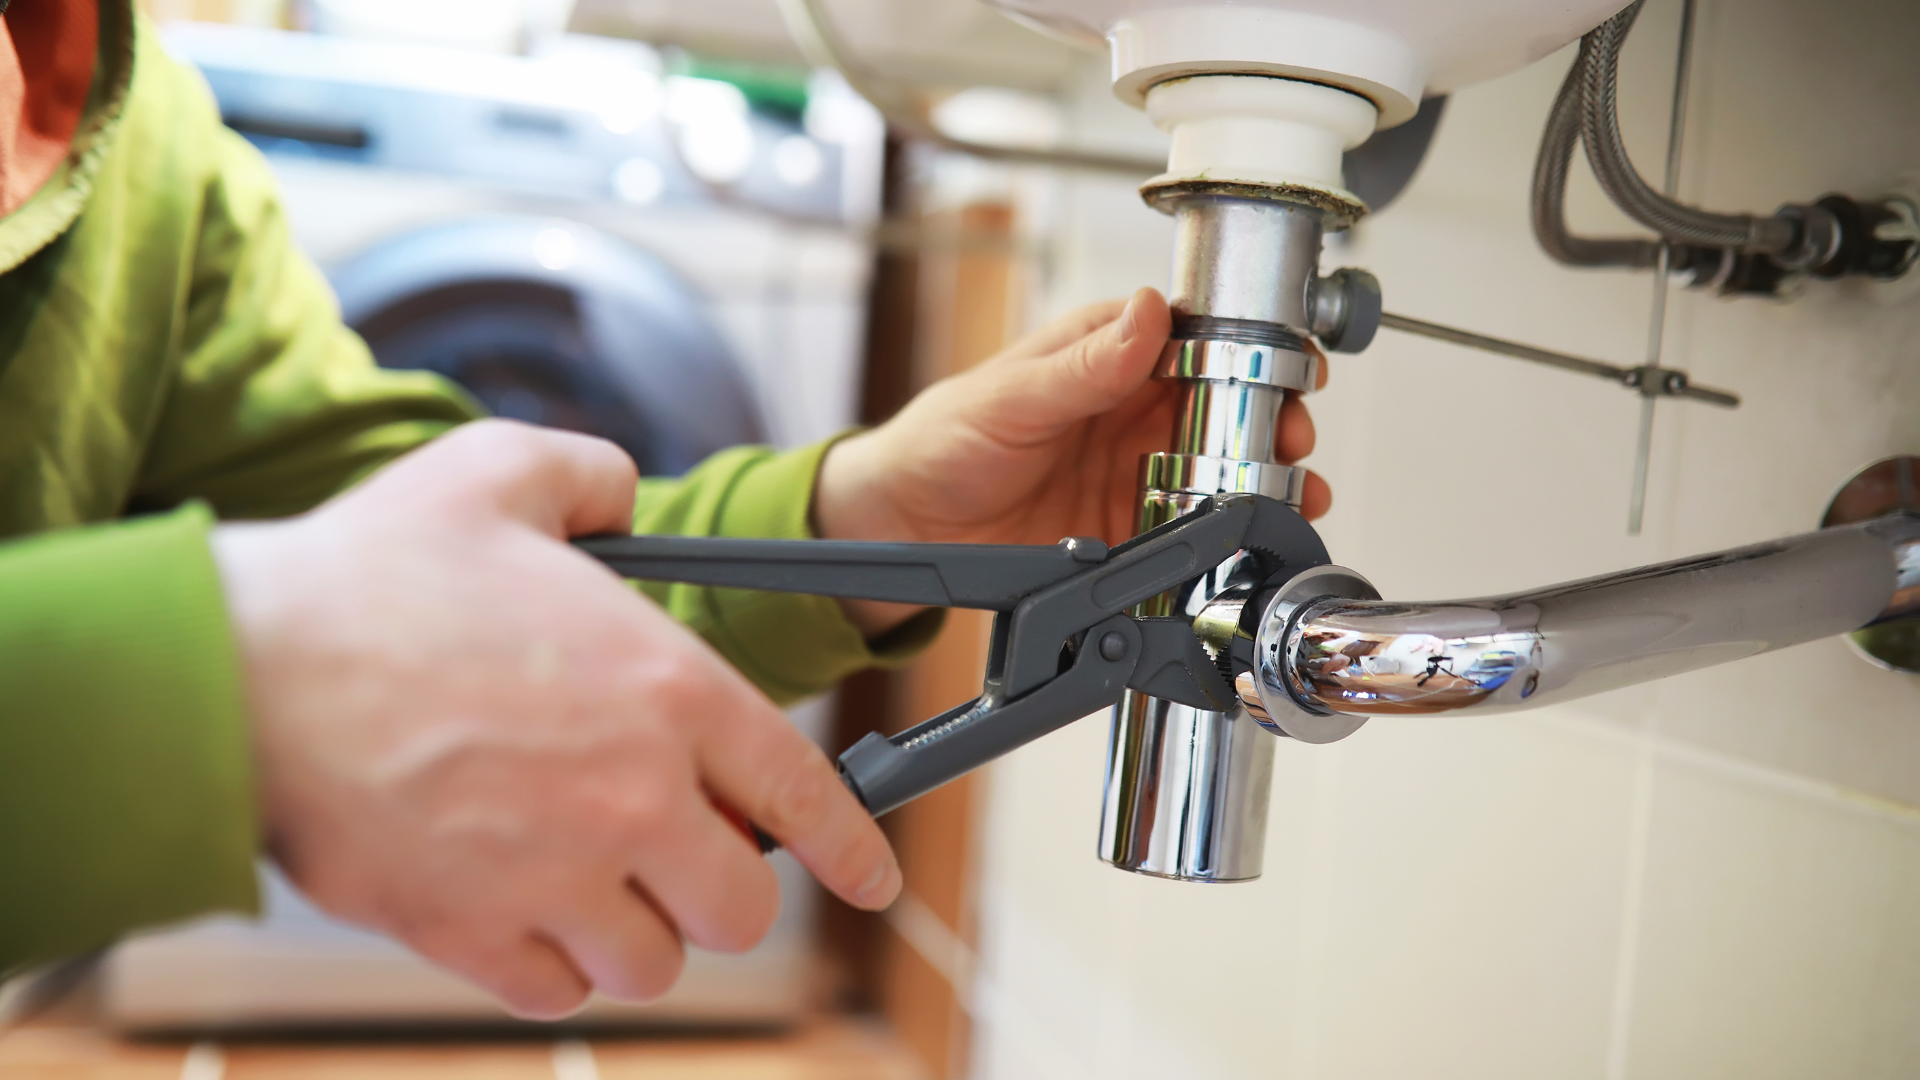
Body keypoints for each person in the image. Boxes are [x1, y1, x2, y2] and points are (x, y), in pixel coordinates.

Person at [0, 0, 1330, 1017]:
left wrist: (859, 521)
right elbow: (349, 635)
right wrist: (228, 689)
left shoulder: (130, 123)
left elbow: (439, 577)